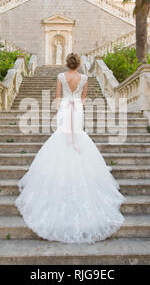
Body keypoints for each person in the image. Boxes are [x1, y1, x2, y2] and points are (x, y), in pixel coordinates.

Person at [15, 53, 125, 244]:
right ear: (79, 64)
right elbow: (83, 99)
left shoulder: (60, 77)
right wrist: (76, 107)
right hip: (77, 110)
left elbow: (58, 98)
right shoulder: (84, 78)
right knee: (78, 137)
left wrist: (59, 110)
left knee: (62, 137)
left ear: (67, 63)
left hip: (65, 109)